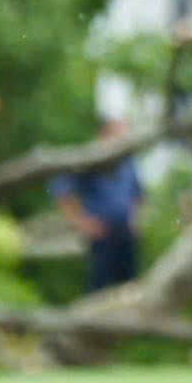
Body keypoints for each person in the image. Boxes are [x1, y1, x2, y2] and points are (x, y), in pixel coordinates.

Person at [49, 117, 144, 293]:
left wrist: (134, 219)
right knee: (101, 289)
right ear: (104, 134)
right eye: (118, 132)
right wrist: (82, 223)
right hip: (102, 236)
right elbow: (62, 191)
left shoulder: (126, 160)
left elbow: (137, 193)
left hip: (125, 235)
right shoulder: (90, 159)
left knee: (129, 289)